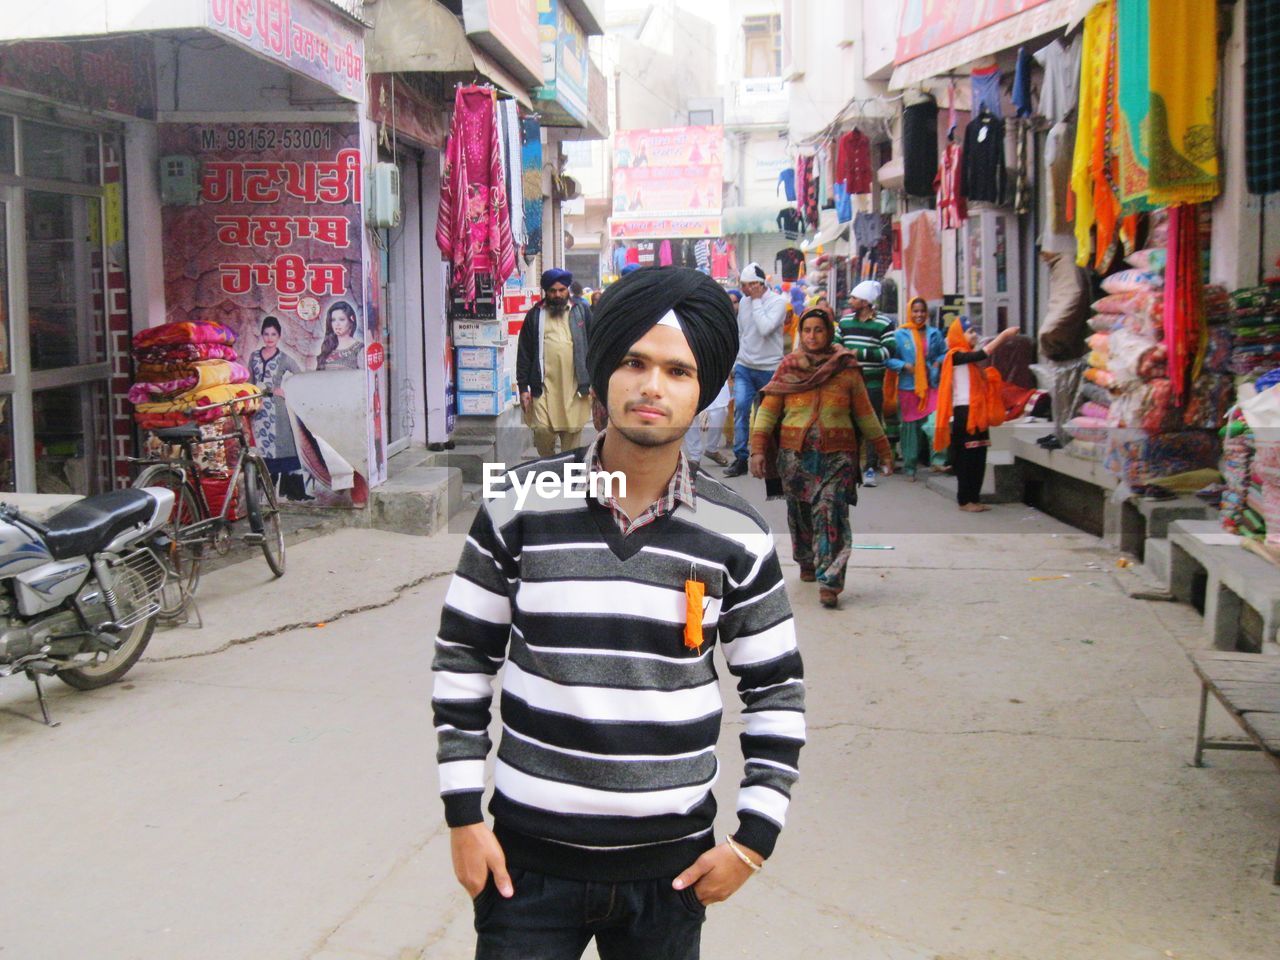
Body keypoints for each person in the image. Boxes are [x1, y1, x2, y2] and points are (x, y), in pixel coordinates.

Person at [434, 266, 805, 960]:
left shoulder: (738, 535)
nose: (652, 386)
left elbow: (776, 690)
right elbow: (463, 658)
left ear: (703, 392)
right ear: (603, 374)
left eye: (677, 370)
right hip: (527, 872)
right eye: (634, 362)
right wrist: (462, 816)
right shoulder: (518, 505)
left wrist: (755, 840)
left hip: (670, 878)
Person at [750, 306, 892, 609]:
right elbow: (768, 412)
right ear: (800, 334)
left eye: (819, 330)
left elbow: (865, 414)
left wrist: (883, 450)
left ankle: (831, 581)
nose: (812, 336)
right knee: (800, 514)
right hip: (795, 458)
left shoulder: (846, 368)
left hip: (838, 458)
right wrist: (758, 449)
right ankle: (807, 560)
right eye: (807, 330)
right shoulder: (789, 367)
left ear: (829, 332)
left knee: (830, 513)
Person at [935, 320, 1017, 512]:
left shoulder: (971, 362)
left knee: (979, 456)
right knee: (967, 459)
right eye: (969, 331)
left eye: (974, 331)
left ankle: (974, 497)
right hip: (964, 413)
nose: (974, 335)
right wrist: (1004, 336)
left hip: (977, 412)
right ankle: (964, 500)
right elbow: (983, 353)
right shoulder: (955, 356)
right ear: (958, 335)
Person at [516, 269, 592, 457]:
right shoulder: (535, 315)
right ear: (546, 292)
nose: (557, 295)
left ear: (568, 290)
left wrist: (596, 382)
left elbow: (594, 345)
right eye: (552, 291)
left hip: (575, 388)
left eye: (561, 290)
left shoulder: (581, 312)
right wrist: (523, 388)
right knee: (542, 430)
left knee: (571, 438)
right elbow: (524, 353)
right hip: (543, 387)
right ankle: (548, 465)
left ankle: (566, 477)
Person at [724, 262, 787, 477]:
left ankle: (768, 457)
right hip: (745, 366)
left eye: (746, 285)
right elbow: (742, 334)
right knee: (741, 408)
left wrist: (758, 301)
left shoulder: (778, 303)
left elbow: (765, 328)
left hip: (770, 368)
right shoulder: (744, 302)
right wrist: (735, 363)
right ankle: (740, 457)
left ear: (757, 285)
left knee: (767, 415)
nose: (743, 290)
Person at [837, 280, 897, 488]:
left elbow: (888, 351)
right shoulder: (845, 322)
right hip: (848, 382)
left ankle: (870, 467)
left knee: (871, 424)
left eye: (854, 298)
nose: (851, 301)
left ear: (865, 301)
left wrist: (858, 353)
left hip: (872, 383)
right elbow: (836, 345)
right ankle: (851, 468)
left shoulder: (884, 323)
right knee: (849, 425)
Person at [885, 297, 946, 480]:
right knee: (910, 429)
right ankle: (910, 468)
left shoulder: (935, 333)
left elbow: (944, 353)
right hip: (908, 387)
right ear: (909, 312)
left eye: (922, 311)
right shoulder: (900, 335)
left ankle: (938, 462)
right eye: (915, 311)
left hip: (931, 385)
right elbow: (888, 359)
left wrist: (937, 362)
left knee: (936, 422)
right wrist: (904, 365)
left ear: (927, 313)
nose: (919, 315)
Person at [248, 316, 309, 501]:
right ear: (262, 335)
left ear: (279, 336)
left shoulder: (283, 358)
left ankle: (288, 492)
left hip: (277, 410)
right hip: (258, 410)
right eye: (266, 334)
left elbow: (301, 377)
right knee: (260, 448)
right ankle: (260, 494)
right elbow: (249, 381)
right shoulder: (254, 357)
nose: (269, 338)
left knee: (281, 447)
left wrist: (286, 391)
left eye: (273, 334)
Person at [316, 301, 363, 370]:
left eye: (342, 319)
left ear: (351, 322)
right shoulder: (328, 346)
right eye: (333, 320)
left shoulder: (359, 348)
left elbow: (363, 377)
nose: (337, 324)